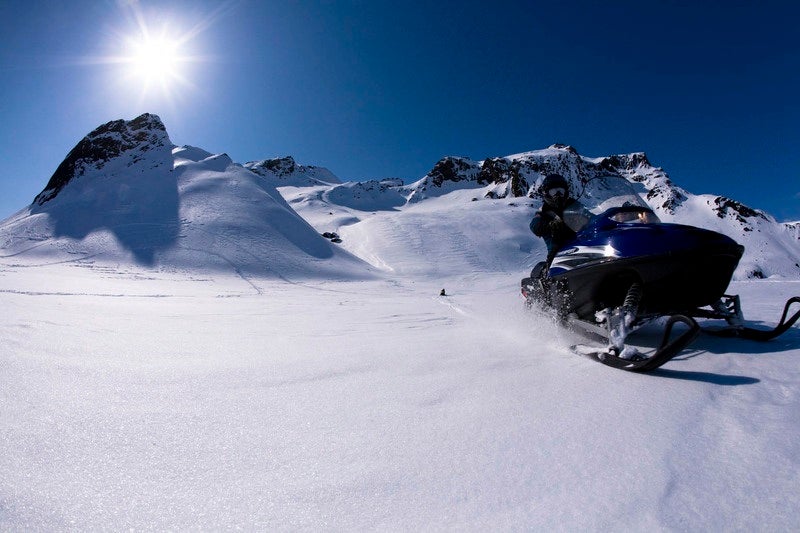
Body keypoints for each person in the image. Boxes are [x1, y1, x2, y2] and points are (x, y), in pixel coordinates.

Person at [529, 173, 587, 268]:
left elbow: (591, 217)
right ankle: (550, 277)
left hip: (581, 244)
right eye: (554, 192)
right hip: (559, 251)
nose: (558, 195)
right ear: (546, 193)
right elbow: (534, 225)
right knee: (555, 255)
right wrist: (550, 225)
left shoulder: (574, 205)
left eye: (560, 191)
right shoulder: (543, 210)